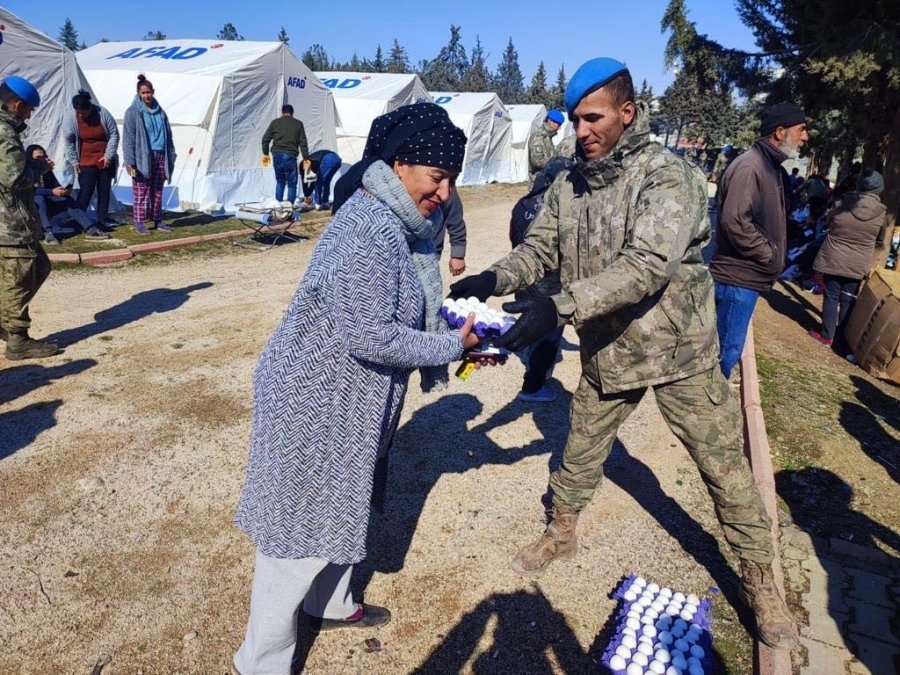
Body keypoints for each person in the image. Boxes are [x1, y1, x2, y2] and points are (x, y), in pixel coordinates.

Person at [450, 57, 799, 650]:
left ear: (627, 113)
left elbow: (645, 266)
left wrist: (558, 309)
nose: (581, 132)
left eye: (594, 119)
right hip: (609, 351)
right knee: (579, 451)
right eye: (576, 121)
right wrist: (493, 278)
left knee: (725, 472)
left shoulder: (669, 177)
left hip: (679, 354)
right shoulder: (569, 182)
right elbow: (538, 251)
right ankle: (562, 531)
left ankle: (763, 584)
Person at [233, 102, 476, 674]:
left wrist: (456, 333)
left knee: (345, 505)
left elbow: (395, 316)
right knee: (296, 536)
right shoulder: (368, 226)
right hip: (313, 401)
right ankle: (259, 662)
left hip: (348, 401)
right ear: (399, 166)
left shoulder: (399, 226)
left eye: (450, 182)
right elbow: (370, 334)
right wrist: (451, 346)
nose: (443, 193)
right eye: (437, 178)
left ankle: (331, 603)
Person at [709, 102, 809, 378]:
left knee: (725, 352)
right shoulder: (751, 167)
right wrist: (768, 255)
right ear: (779, 132)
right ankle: (707, 414)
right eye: (801, 130)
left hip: (743, 280)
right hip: (736, 281)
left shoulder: (769, 166)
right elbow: (734, 221)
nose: (805, 137)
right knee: (723, 354)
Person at [0, 76, 59, 360]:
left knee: (40, 266)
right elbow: (14, 177)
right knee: (20, 278)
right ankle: (17, 340)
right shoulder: (4, 132)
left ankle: (7, 323)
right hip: (9, 220)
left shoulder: (7, 129)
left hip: (14, 218)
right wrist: (37, 168)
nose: (30, 115)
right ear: (18, 105)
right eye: (29, 109)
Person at [509, 156, 575, 402]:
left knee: (530, 320)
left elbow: (513, 237)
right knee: (549, 335)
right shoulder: (563, 209)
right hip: (552, 282)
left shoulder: (523, 204)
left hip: (525, 275)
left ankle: (528, 354)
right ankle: (533, 387)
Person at [809, 170, 888, 348]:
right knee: (848, 299)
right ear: (879, 189)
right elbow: (880, 240)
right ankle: (840, 340)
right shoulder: (881, 213)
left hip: (834, 257)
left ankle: (827, 335)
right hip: (858, 263)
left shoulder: (842, 202)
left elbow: (829, 220)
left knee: (831, 296)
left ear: (860, 185)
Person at [419, 188, 469, 393]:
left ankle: (431, 353)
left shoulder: (442, 186)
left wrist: (458, 253)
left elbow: (455, 217)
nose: (444, 186)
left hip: (430, 257)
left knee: (430, 314)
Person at [123, 74, 177, 236]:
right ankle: (139, 221)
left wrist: (172, 155)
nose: (147, 96)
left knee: (158, 189)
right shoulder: (133, 112)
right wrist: (129, 161)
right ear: (138, 94)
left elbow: (168, 135)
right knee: (141, 189)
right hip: (142, 156)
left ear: (153, 92)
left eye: (149, 92)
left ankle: (158, 219)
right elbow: (128, 137)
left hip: (160, 154)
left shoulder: (161, 112)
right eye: (143, 93)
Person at [62, 90, 117, 239]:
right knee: (85, 192)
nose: (80, 115)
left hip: (104, 159)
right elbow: (68, 141)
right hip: (85, 161)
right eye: (78, 112)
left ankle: (101, 221)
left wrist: (108, 156)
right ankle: (81, 221)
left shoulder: (102, 113)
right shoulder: (71, 119)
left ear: (89, 108)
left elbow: (113, 134)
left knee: (104, 191)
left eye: (83, 112)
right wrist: (74, 161)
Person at [26, 144, 94, 245]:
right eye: (37, 158)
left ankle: (90, 228)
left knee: (67, 200)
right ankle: (48, 232)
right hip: (31, 207)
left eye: (43, 157)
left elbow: (54, 187)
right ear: (30, 159)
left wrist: (64, 190)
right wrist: (52, 192)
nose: (41, 160)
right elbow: (30, 191)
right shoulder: (26, 172)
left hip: (48, 207)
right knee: (39, 197)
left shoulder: (46, 171)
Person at [261, 104, 308, 205]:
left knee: (280, 181)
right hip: (290, 156)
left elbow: (265, 139)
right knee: (291, 184)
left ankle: (278, 207)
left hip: (276, 155)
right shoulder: (298, 124)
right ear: (292, 113)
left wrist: (266, 154)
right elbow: (303, 143)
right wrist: (306, 158)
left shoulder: (275, 123)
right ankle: (289, 208)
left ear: (282, 112)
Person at [527, 109, 564, 187]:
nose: (559, 128)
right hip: (539, 182)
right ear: (550, 121)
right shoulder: (539, 137)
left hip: (547, 181)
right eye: (558, 124)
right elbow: (537, 161)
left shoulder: (547, 137)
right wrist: (556, 163)